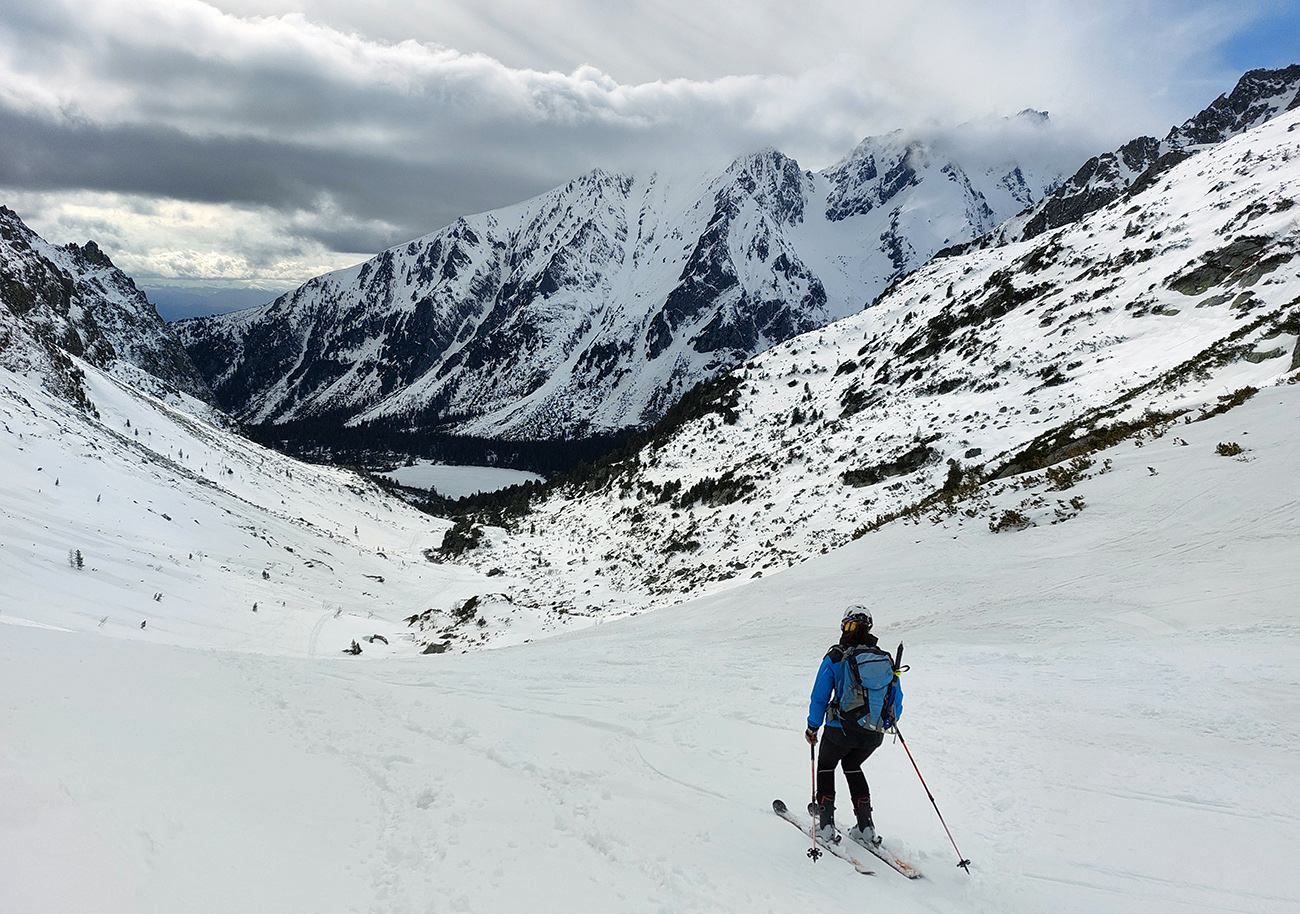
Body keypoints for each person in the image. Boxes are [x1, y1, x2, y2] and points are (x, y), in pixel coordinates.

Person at [805, 605, 889, 845]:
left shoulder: (835, 656)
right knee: (852, 765)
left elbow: (819, 696)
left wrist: (812, 727)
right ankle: (866, 827)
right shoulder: (882, 658)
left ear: (844, 626)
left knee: (826, 766)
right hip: (873, 733)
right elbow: (896, 698)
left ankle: (826, 826)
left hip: (839, 730)